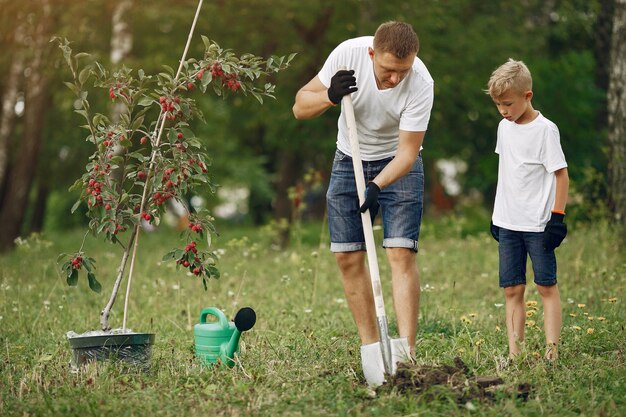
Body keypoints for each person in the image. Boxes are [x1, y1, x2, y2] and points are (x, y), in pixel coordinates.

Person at [292, 21, 434, 379]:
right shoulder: (347, 55)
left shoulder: (421, 82)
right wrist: (330, 96)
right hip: (349, 157)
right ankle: (372, 351)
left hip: (397, 164)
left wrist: (377, 186)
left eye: (402, 71)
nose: (394, 80)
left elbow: (407, 152)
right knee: (347, 256)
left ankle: (405, 356)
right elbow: (299, 107)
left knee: (400, 252)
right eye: (387, 71)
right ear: (372, 53)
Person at [486, 58, 569, 362]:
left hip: (538, 225)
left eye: (507, 103)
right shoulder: (503, 128)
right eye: (498, 105)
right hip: (508, 223)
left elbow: (561, 174)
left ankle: (552, 352)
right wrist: (497, 216)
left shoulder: (545, 130)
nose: (503, 110)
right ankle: (514, 353)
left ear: (527, 96)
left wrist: (557, 218)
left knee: (546, 286)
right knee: (512, 290)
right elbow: (507, 172)